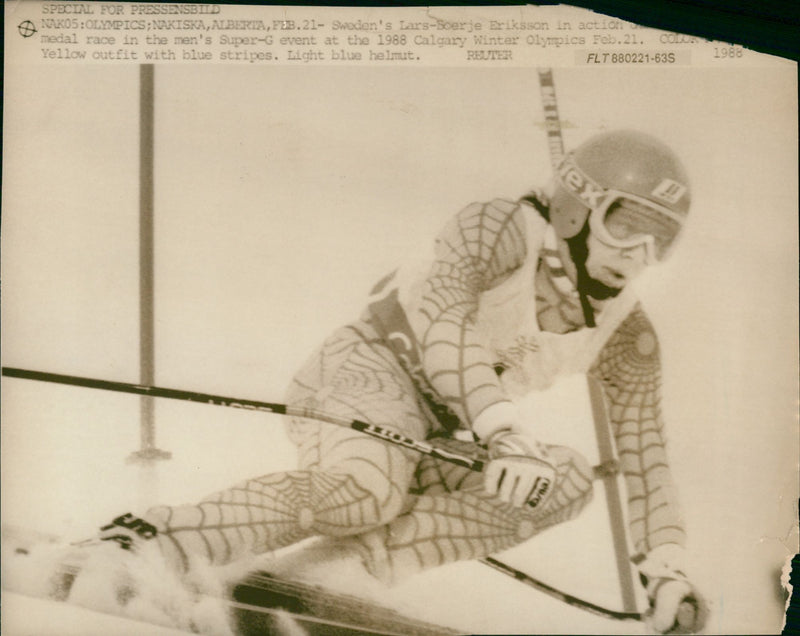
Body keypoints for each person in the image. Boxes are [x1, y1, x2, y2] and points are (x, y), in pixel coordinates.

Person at [94, 129, 707, 633]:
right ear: (577, 205)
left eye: (663, 240)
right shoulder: (499, 230)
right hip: (364, 369)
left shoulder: (627, 335)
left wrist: (667, 563)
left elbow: (645, 454)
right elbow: (445, 326)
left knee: (565, 482)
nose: (638, 253)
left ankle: (322, 577)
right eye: (625, 223)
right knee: (367, 489)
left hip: (438, 428)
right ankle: (154, 543)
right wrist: (501, 428)